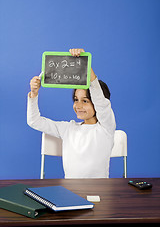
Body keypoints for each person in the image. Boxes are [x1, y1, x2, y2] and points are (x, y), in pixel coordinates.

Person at [27, 48, 116, 178]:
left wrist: (84, 63)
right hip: (70, 192)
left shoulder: (106, 128)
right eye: (76, 100)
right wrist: (34, 94)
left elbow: (100, 101)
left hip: (99, 191)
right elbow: (34, 121)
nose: (78, 106)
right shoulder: (68, 129)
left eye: (85, 101)